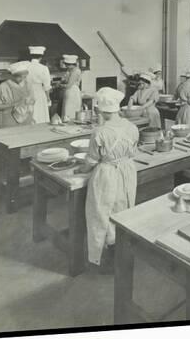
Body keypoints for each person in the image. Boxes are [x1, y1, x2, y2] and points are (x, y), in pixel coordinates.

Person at [75, 87, 139, 273]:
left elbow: (92, 160)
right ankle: (124, 256)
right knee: (124, 209)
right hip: (127, 171)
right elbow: (133, 152)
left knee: (103, 213)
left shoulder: (100, 132)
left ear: (101, 110)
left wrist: (82, 168)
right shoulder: (132, 127)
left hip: (108, 174)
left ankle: (109, 260)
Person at [0, 61, 35, 128]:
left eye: (25, 77)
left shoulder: (28, 85)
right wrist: (14, 104)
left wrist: (30, 102)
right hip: (9, 121)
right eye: (19, 77)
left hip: (26, 121)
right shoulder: (3, 87)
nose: (22, 79)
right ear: (12, 76)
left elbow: (33, 100)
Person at [26, 45, 52, 124]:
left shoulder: (26, 66)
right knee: (40, 115)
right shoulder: (43, 68)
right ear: (41, 57)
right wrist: (48, 98)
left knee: (30, 114)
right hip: (39, 92)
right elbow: (47, 86)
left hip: (27, 92)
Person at [61, 54, 82, 121]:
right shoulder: (70, 71)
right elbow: (65, 80)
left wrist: (60, 85)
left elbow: (69, 85)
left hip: (73, 92)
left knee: (70, 110)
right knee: (66, 110)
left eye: (67, 65)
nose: (66, 66)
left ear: (70, 64)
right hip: (69, 92)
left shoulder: (76, 71)